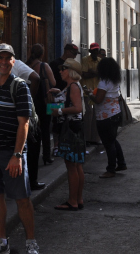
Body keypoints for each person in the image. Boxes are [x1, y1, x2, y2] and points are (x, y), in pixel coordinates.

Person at [0, 44, 40, 254]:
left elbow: (24, 123)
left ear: (14, 62)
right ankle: (1, 241)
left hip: (10, 153)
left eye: (8, 58)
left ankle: (31, 243)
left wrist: (17, 155)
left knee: (22, 198)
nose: (4, 62)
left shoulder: (20, 86)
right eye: (0, 58)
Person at [50, 58, 85, 209]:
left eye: (63, 69)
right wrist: (59, 93)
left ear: (70, 71)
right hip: (73, 129)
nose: (60, 71)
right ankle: (78, 199)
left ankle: (73, 201)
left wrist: (59, 110)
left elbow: (77, 108)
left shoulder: (74, 87)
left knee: (72, 166)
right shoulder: (70, 86)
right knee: (76, 165)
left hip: (70, 129)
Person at [90, 57, 126, 178]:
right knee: (112, 140)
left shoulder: (103, 82)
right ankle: (121, 163)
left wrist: (90, 94)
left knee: (108, 143)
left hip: (105, 117)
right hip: (115, 114)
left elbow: (99, 100)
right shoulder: (114, 81)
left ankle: (110, 170)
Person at [25, 44, 56, 184]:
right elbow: (53, 82)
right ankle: (47, 156)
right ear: (42, 54)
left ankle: (30, 157)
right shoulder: (44, 66)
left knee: (31, 129)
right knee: (45, 127)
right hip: (45, 102)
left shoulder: (26, 65)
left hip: (30, 101)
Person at [81, 43, 102, 144]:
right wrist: (95, 73)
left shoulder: (100, 61)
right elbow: (84, 75)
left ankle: (95, 138)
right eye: (93, 51)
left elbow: (101, 75)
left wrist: (92, 72)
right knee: (88, 114)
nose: (95, 52)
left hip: (97, 91)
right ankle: (87, 138)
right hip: (87, 92)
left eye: (96, 51)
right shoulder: (85, 60)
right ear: (90, 51)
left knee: (96, 115)